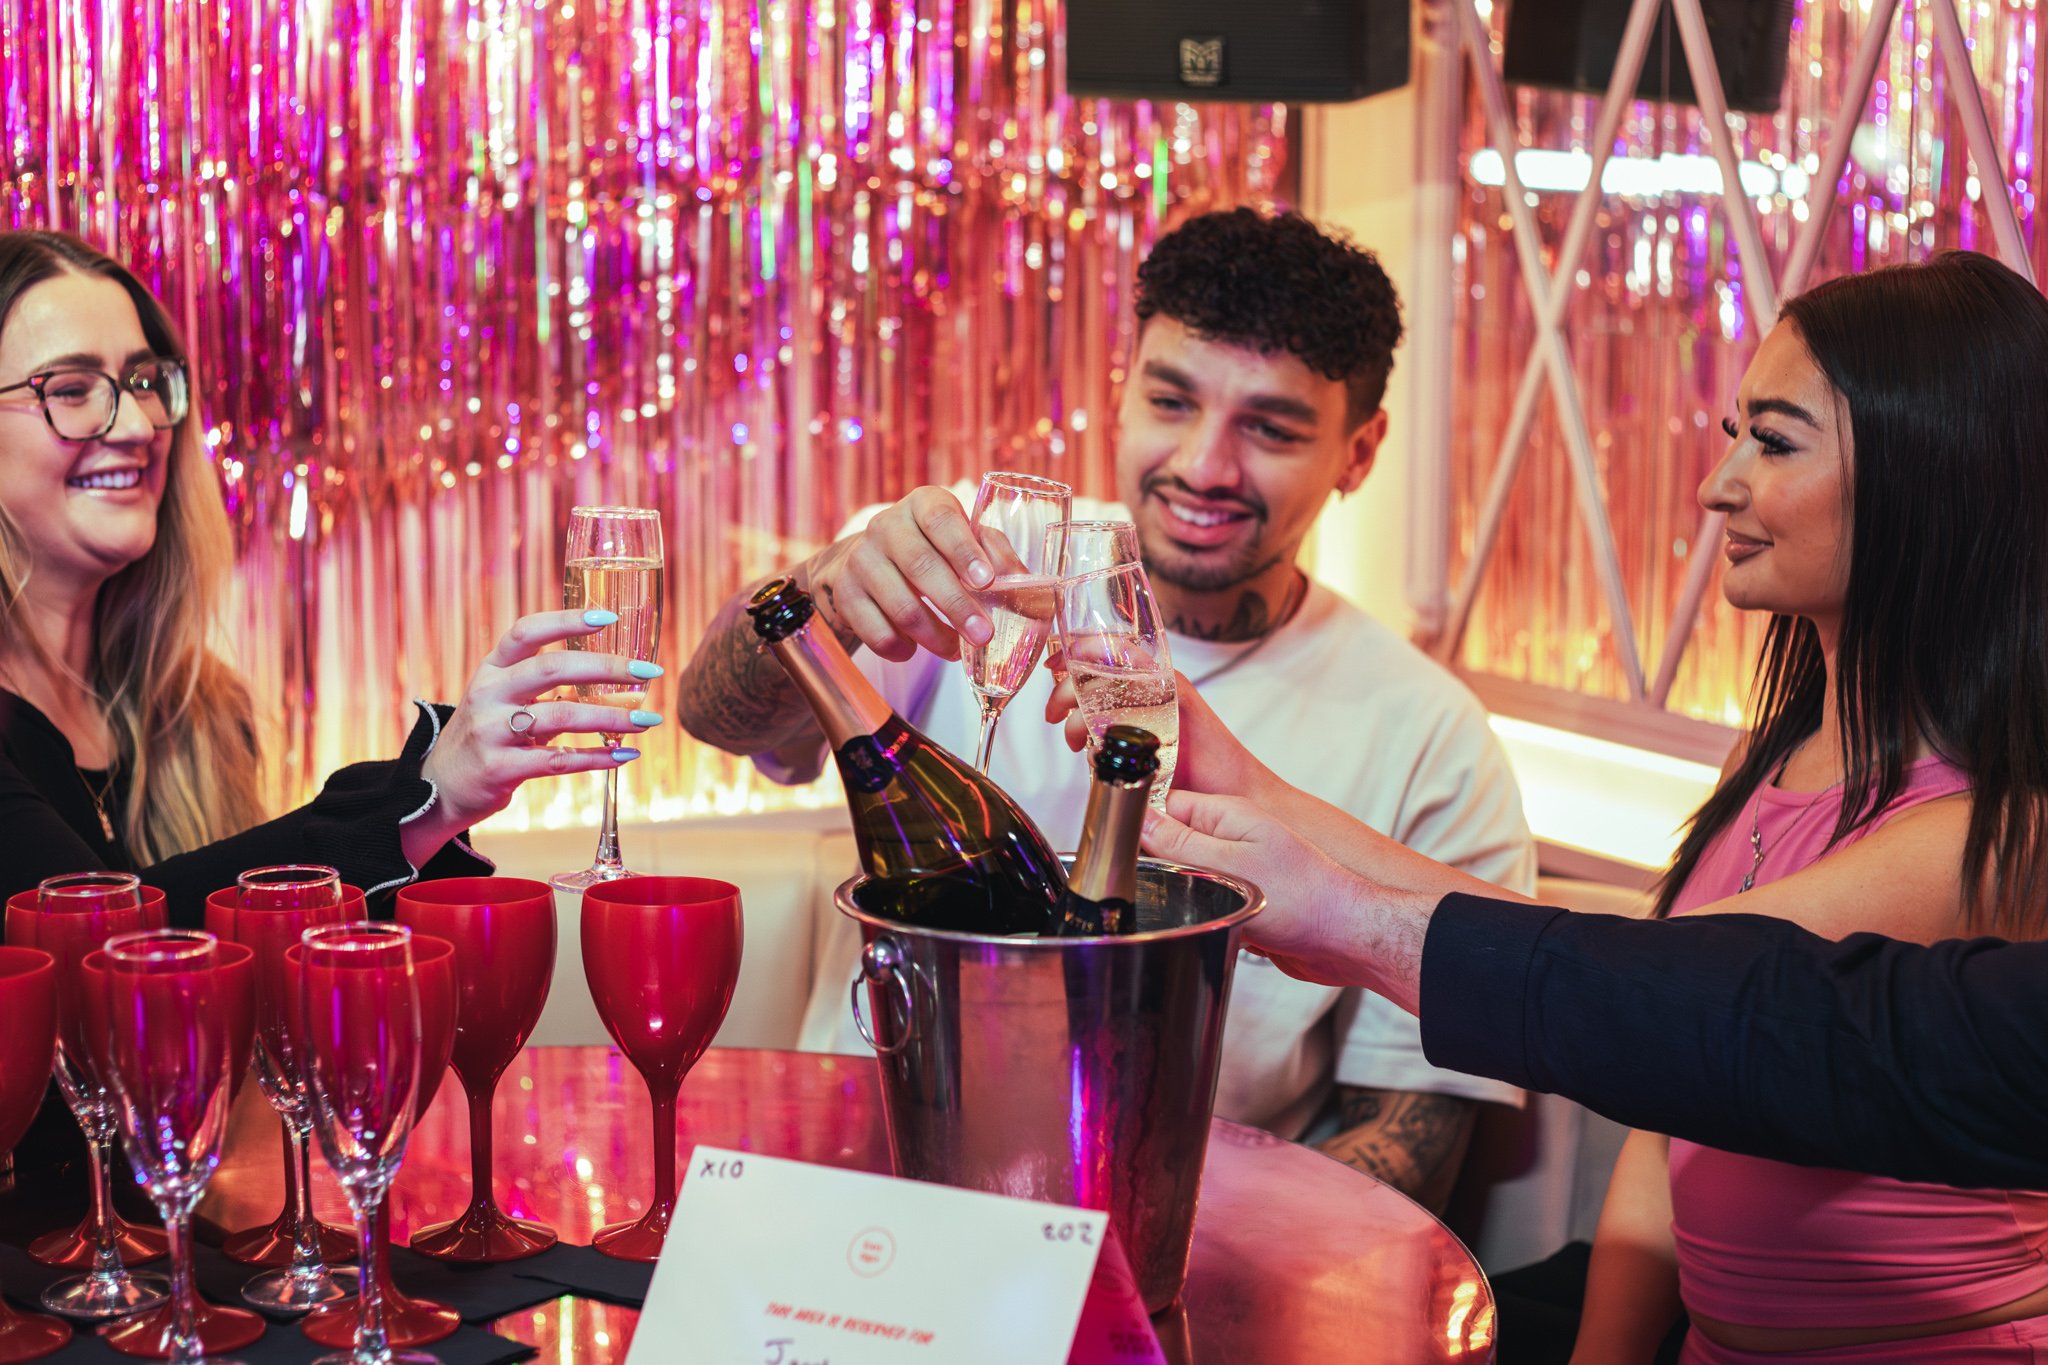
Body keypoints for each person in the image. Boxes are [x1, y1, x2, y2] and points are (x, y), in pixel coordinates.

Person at [1138, 249, 2048, 1363]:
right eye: (1732, 437)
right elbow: (1662, 1095)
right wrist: (1247, 786)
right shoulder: (1780, 759)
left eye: (1771, 442)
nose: (1718, 485)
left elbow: (1648, 1002)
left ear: (1927, 475)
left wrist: (1332, 904)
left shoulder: (1991, 831)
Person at [676, 207, 1537, 1214]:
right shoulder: (961, 567)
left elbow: (1407, 1136)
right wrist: (819, 592)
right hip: (856, 1202)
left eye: (1269, 427)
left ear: (1358, 451)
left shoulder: (1430, 738)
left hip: (1162, 1250)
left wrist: (1131, 1226)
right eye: (1171, 400)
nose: (1205, 466)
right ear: (1118, 389)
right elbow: (715, 720)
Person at [0, 228, 665, 923]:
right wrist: (423, 794)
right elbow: (91, 942)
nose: (137, 424)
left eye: (144, 382)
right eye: (72, 390)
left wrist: (437, 804)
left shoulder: (199, 717)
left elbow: (278, 978)